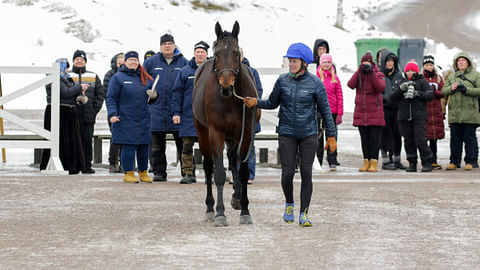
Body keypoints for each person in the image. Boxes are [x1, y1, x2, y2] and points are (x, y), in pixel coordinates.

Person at [243, 42, 337, 227]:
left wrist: (332, 136)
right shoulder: (282, 81)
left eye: (294, 61)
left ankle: (304, 214)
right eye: (289, 61)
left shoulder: (316, 83)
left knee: (306, 173)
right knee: (287, 174)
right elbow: (272, 103)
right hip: (287, 133)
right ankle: (289, 204)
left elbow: (326, 111)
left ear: (303, 63)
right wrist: (256, 102)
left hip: (309, 134)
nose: (291, 64)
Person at [144, 33, 188, 182]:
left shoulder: (184, 62)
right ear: (160, 46)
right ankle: (159, 172)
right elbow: (143, 80)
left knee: (182, 144)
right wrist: (149, 90)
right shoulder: (151, 62)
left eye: (170, 43)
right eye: (164, 44)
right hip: (156, 109)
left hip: (177, 110)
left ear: (174, 45)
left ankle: (186, 173)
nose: (167, 46)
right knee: (156, 145)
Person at [106, 51, 153, 183]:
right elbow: (111, 98)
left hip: (143, 117)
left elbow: (152, 98)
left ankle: (143, 172)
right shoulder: (117, 78)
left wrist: (154, 95)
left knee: (144, 146)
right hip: (125, 118)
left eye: (135, 60)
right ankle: (129, 172)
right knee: (129, 146)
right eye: (130, 60)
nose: (133, 62)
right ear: (125, 62)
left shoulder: (145, 77)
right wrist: (112, 114)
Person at [40, 58, 88, 174]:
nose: (67, 69)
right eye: (65, 66)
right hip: (59, 111)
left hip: (66, 112)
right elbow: (65, 92)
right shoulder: (55, 77)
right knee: (62, 140)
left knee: (67, 140)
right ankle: (65, 165)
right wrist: (79, 87)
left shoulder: (64, 78)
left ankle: (70, 165)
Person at [172, 41, 209, 184]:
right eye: (197, 52)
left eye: (203, 52)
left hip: (207, 117)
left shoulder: (212, 70)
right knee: (186, 146)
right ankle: (188, 173)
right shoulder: (185, 71)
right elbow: (177, 94)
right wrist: (176, 113)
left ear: (207, 54)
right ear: (194, 54)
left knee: (208, 148)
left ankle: (210, 174)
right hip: (188, 116)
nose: (200, 54)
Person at [390, 59, 434, 172]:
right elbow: (392, 97)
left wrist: (417, 93)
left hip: (419, 116)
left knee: (420, 140)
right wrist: (401, 89)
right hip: (404, 116)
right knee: (408, 140)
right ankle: (412, 163)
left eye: (412, 70)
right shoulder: (400, 81)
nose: (410, 73)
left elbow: (430, 95)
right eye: (408, 70)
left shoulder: (422, 81)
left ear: (416, 72)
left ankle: (427, 162)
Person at [68, 49, 106, 174]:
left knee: (87, 141)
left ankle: (86, 165)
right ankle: (72, 165)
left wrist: (94, 109)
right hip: (71, 115)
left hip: (88, 114)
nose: (79, 61)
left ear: (85, 62)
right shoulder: (67, 75)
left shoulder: (93, 76)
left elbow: (100, 94)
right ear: (73, 61)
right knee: (72, 140)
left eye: (82, 59)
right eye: (77, 59)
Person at [347, 52, 386, 172]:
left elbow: (380, 88)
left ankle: (374, 162)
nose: (366, 66)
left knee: (374, 140)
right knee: (364, 140)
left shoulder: (378, 74)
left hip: (375, 113)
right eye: (364, 63)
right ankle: (366, 161)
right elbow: (350, 84)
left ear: (372, 63)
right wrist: (359, 71)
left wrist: (372, 72)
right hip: (361, 113)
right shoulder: (359, 74)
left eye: (368, 63)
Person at [441, 52, 480, 171]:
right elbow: (443, 91)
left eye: (463, 60)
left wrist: (466, 90)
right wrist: (451, 89)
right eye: (459, 61)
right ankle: (454, 161)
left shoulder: (476, 75)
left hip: (470, 113)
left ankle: (470, 161)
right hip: (455, 113)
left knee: (469, 138)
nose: (461, 62)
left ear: (468, 62)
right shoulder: (452, 76)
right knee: (455, 139)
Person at [378, 49, 407, 170]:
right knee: (385, 135)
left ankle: (396, 159)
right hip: (384, 109)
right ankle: (385, 161)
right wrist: (387, 99)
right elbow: (378, 92)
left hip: (397, 109)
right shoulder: (379, 75)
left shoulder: (399, 75)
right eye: (388, 61)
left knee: (397, 134)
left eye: (392, 61)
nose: (390, 63)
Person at [316, 53, 343, 171]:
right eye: (324, 62)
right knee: (318, 137)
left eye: (328, 62)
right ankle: (318, 159)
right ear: (321, 64)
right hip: (320, 111)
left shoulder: (335, 78)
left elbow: (340, 96)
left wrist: (340, 113)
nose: (326, 64)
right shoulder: (316, 77)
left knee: (331, 137)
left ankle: (332, 160)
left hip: (332, 111)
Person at [240, 48, 263, 184]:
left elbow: (258, 90)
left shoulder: (252, 72)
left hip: (249, 114)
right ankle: (236, 173)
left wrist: (250, 101)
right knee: (235, 146)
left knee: (250, 145)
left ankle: (250, 174)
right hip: (233, 117)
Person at [422, 55, 445, 170]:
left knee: (434, 139)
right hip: (424, 112)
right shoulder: (421, 78)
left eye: (431, 65)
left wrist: (434, 92)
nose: (429, 67)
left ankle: (434, 160)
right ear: (424, 66)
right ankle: (426, 160)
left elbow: (443, 92)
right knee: (424, 138)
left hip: (435, 112)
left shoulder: (439, 78)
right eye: (427, 65)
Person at [103, 52, 125, 173]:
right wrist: (112, 111)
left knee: (126, 138)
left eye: (123, 63)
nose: (121, 65)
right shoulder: (110, 75)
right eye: (119, 63)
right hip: (114, 111)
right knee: (115, 138)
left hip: (127, 111)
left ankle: (124, 163)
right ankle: (112, 163)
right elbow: (107, 95)